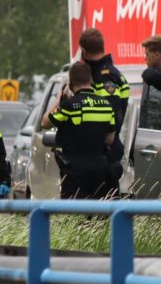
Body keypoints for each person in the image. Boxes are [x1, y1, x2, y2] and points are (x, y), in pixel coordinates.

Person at [42, 61, 115, 199]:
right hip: (100, 167)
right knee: (98, 213)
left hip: (74, 168)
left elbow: (45, 123)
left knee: (74, 212)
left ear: (70, 84)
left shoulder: (69, 106)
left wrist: (58, 100)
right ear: (91, 80)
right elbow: (110, 139)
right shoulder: (106, 105)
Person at [77, 28, 130, 192]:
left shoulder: (105, 77)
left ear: (83, 51)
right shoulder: (105, 73)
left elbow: (112, 115)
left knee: (101, 211)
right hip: (102, 154)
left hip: (104, 154)